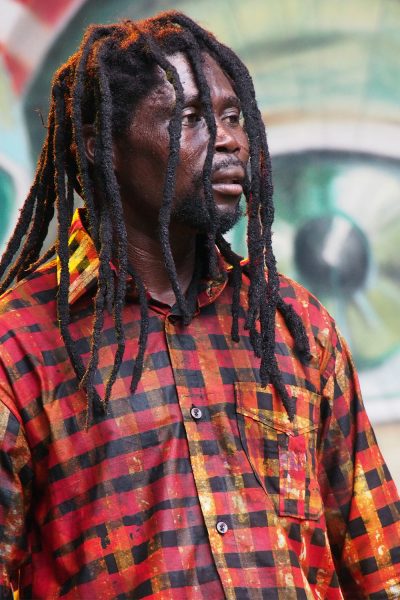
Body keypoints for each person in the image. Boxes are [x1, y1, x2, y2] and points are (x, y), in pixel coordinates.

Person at [0, 10, 399, 600]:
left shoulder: (294, 327)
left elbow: (381, 563)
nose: (232, 140)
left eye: (234, 117)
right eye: (192, 119)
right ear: (101, 147)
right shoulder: (20, 347)